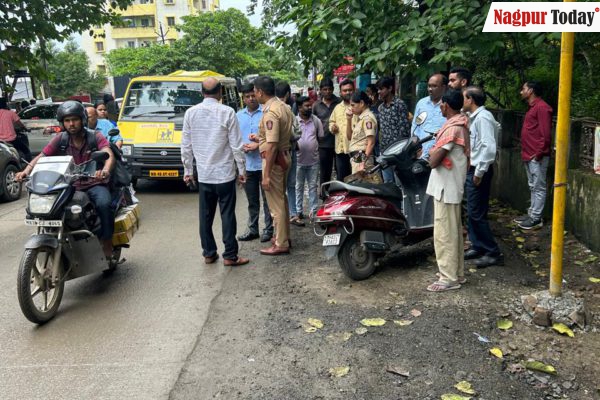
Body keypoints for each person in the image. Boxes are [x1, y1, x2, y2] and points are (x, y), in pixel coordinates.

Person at [15, 101, 116, 258]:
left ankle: (107, 241)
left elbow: (108, 154)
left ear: (82, 120)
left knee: (104, 204)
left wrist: (104, 171)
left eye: (74, 120)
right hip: (70, 184)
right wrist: (26, 171)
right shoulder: (60, 139)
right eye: (67, 121)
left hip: (94, 183)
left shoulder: (94, 136)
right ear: (63, 123)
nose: (71, 124)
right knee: (52, 208)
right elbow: (43, 156)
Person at [181, 77, 249, 267]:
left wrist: (188, 170)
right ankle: (230, 255)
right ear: (220, 92)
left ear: (202, 93)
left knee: (206, 215)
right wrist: (242, 170)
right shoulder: (228, 112)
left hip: (204, 175)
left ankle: (209, 253)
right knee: (227, 214)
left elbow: (185, 145)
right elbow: (237, 145)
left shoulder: (190, 113)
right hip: (225, 174)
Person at [425, 90, 470, 292]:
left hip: (447, 188)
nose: (440, 107)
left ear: (446, 105)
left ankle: (448, 277)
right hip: (449, 186)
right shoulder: (459, 123)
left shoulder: (453, 129)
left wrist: (433, 152)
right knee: (453, 232)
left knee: (444, 234)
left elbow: (434, 161)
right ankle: (456, 273)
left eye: (441, 104)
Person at [462, 86, 503, 268]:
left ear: (470, 99)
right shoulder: (477, 118)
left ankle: (492, 252)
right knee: (473, 211)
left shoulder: (483, 118)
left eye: (464, 97)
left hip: (479, 170)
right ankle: (478, 245)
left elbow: (489, 147)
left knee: (477, 213)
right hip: (474, 168)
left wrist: (479, 171)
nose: (462, 100)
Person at [254, 76, 294, 255]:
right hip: (284, 156)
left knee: (275, 205)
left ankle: (280, 243)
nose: (254, 95)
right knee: (282, 200)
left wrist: (266, 175)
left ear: (260, 92)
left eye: (255, 92)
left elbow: (271, 144)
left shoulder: (271, 112)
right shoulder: (283, 106)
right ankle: (283, 236)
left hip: (275, 160)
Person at [236, 83, 273, 243]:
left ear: (257, 94)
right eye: (247, 96)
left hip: (265, 163)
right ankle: (252, 229)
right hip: (247, 166)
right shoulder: (238, 116)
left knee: (267, 201)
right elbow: (234, 138)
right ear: (243, 98)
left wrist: (258, 145)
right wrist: (241, 147)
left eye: (253, 95)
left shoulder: (266, 113)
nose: (251, 99)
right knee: (252, 201)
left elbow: (271, 138)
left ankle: (269, 229)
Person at [515, 81, 553, 230]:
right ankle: (532, 213)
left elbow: (546, 134)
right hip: (529, 153)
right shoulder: (533, 107)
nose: (521, 92)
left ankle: (536, 217)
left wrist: (539, 153)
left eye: (523, 89)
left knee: (538, 186)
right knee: (533, 186)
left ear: (530, 90)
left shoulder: (542, 108)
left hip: (536, 155)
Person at [275, 81, 303, 226]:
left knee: (281, 187)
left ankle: (285, 216)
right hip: (287, 152)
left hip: (276, 153)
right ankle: (289, 214)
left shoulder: (269, 109)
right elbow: (297, 132)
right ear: (287, 94)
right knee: (289, 185)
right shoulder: (287, 110)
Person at [376, 77, 411, 183]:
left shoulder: (399, 105)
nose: (379, 92)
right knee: (387, 182)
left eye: (381, 89)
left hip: (398, 152)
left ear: (390, 88)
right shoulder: (381, 107)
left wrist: (400, 151)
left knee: (400, 183)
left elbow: (404, 130)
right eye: (378, 89)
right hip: (384, 151)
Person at [295, 96, 324, 221]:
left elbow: (320, 137)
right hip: (297, 161)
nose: (309, 107)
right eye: (306, 106)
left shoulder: (316, 120)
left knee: (313, 187)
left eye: (310, 105)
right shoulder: (294, 121)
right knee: (298, 187)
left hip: (313, 161)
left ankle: (314, 212)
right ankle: (298, 212)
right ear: (300, 107)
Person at [312, 78, 341, 186]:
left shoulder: (339, 102)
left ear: (333, 89)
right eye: (325, 89)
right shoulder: (316, 105)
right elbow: (313, 124)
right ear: (321, 90)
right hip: (323, 143)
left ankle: (340, 195)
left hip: (339, 142)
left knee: (340, 170)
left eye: (329, 89)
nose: (327, 91)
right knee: (325, 172)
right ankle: (324, 195)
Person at [412, 73, 448, 158]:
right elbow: (415, 126)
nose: (430, 89)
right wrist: (416, 148)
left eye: (434, 86)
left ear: (444, 87)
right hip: (421, 154)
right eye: (429, 86)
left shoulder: (448, 105)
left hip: (441, 155)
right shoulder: (421, 103)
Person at [346, 91, 378, 174]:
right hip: (357, 158)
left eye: (353, 105)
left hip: (362, 158)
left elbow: (371, 142)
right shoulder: (360, 118)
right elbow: (350, 137)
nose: (351, 108)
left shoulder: (367, 118)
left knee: (360, 185)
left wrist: (363, 162)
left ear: (361, 103)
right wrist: (349, 119)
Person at [329, 79, 355, 181]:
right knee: (342, 179)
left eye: (350, 90)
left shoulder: (358, 107)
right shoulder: (337, 108)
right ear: (340, 93)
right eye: (345, 90)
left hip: (355, 150)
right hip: (340, 150)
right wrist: (332, 127)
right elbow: (331, 122)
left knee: (356, 179)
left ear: (354, 90)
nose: (348, 92)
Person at [0, 97, 32, 161]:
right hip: (11, 139)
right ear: (5, 104)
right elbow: (19, 123)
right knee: (26, 150)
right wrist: (26, 128)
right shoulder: (10, 113)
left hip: (1, 141)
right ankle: (29, 165)